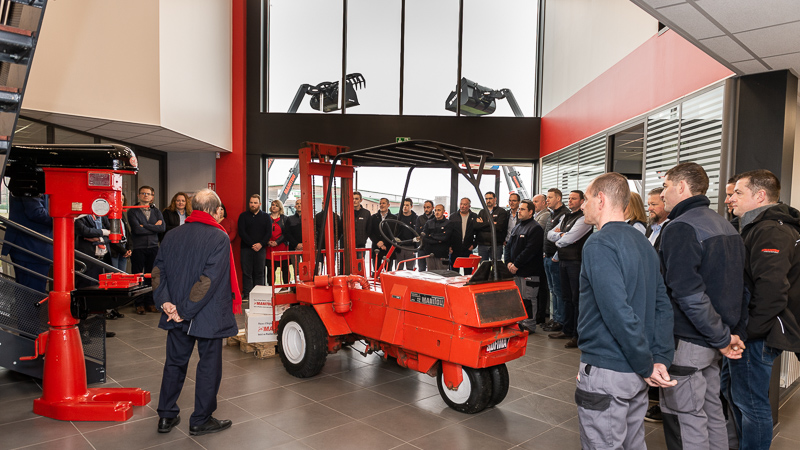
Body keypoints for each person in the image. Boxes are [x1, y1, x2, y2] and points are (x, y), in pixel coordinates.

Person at [575, 172, 676, 450]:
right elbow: (662, 307)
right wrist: (659, 359)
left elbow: (617, 311)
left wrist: (647, 364)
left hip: (610, 370)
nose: (582, 205)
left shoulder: (598, 243)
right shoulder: (644, 243)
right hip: (636, 374)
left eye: (586, 199)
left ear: (601, 199)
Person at [658, 161, 747, 449]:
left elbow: (688, 293)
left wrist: (722, 337)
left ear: (681, 187)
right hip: (715, 340)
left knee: (684, 417)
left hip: (691, 341)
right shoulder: (725, 224)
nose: (662, 194)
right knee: (711, 414)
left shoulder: (680, 227)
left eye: (667, 186)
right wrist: (729, 335)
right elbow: (742, 288)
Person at [153, 188, 240, 437]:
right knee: (209, 366)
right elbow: (209, 280)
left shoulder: (171, 235)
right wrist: (184, 311)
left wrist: (166, 303)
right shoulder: (219, 237)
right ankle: (200, 419)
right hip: (206, 314)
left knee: (174, 364)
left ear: (193, 208)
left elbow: (158, 271)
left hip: (176, 311)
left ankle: (166, 417)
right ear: (214, 210)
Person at [727, 169, 800, 449]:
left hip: (756, 335)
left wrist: (747, 333)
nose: (731, 198)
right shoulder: (759, 226)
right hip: (750, 332)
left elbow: (771, 291)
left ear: (760, 196)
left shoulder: (771, 230)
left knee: (752, 404)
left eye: (738, 193)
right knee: (738, 396)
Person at [548, 190, 591, 348]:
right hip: (563, 261)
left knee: (576, 300)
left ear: (581, 201)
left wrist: (561, 237)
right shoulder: (566, 216)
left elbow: (569, 239)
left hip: (576, 262)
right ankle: (567, 329)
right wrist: (562, 236)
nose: (570, 201)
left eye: (574, 199)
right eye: (569, 198)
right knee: (566, 297)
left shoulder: (584, 218)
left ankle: (577, 335)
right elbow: (550, 235)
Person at [2, 194, 53, 294]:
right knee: (31, 295)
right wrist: (61, 217)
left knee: (31, 294)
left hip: (35, 247)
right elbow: (36, 212)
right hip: (30, 247)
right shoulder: (29, 182)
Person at [506, 200, 543, 333]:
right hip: (515, 270)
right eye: (519, 209)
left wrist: (516, 264)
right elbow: (508, 246)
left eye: (522, 209)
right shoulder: (517, 227)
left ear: (530, 212)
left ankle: (529, 325)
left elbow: (530, 251)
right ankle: (520, 322)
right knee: (518, 298)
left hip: (529, 271)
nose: (519, 211)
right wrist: (508, 262)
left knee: (528, 298)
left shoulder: (535, 228)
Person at [128, 186, 165, 314]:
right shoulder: (132, 211)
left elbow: (162, 228)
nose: (145, 195)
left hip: (153, 247)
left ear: (152, 196)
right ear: (138, 196)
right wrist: (153, 227)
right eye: (143, 193)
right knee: (137, 276)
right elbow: (137, 230)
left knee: (152, 276)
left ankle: (150, 302)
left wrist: (145, 226)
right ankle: (139, 304)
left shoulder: (156, 211)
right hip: (138, 248)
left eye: (148, 194)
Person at [542, 189, 569, 333]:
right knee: (552, 290)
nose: (547, 200)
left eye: (550, 197)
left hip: (555, 258)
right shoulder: (551, 214)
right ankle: (555, 318)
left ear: (558, 198)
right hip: (547, 256)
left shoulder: (564, 214)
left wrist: (556, 255)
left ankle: (560, 320)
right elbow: (549, 235)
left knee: (558, 291)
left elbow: (563, 237)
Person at [74, 213, 112, 289]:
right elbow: (85, 231)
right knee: (87, 286)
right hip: (88, 259)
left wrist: (100, 239)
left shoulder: (101, 215)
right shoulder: (79, 215)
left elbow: (113, 232)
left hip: (104, 258)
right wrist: (104, 232)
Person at [532, 194, 551, 325]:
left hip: (542, 255)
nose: (534, 204)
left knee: (542, 287)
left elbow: (534, 232)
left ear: (544, 203)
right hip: (539, 256)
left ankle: (541, 315)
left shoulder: (545, 215)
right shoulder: (537, 215)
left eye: (536, 201)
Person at [474, 191, 509, 261]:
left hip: (496, 245)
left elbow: (499, 227)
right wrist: (492, 223)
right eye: (486, 199)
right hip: (482, 244)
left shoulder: (501, 212)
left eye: (490, 198)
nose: (488, 201)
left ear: (495, 199)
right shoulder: (482, 212)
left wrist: (483, 224)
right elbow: (476, 226)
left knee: (496, 268)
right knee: (483, 268)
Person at [449, 197, 478, 274]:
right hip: (455, 248)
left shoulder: (474, 217)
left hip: (467, 248)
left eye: (465, 204)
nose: (462, 206)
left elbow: (478, 232)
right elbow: (449, 232)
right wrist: (449, 246)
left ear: (469, 206)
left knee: (468, 271)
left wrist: (474, 245)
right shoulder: (453, 216)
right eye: (461, 204)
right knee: (454, 271)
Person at [367, 198, 396, 273]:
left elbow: (394, 233)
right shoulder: (373, 217)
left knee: (388, 272)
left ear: (388, 205)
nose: (381, 205)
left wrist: (384, 243)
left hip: (388, 248)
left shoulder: (394, 218)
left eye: (383, 203)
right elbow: (370, 232)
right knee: (376, 271)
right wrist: (378, 242)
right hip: (376, 248)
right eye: (380, 203)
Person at [421, 204, 453, 270]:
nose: (437, 212)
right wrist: (438, 240)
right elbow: (424, 237)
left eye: (439, 210)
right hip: (430, 254)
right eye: (435, 210)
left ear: (443, 211)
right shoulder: (429, 222)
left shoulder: (448, 223)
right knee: (431, 275)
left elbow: (445, 237)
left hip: (442, 254)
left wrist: (431, 235)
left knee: (442, 276)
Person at [265, 199, 289, 286]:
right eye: (272, 205)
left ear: (280, 207)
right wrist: (268, 241)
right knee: (271, 269)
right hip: (269, 247)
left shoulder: (285, 218)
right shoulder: (266, 217)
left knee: (285, 269)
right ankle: (271, 288)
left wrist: (277, 242)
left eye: (276, 205)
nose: (274, 207)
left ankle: (286, 287)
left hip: (282, 247)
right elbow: (263, 231)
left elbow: (286, 233)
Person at [109, 193, 133, 272]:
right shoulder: (108, 215)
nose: (121, 202)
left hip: (124, 248)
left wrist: (129, 248)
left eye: (122, 200)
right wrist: (123, 250)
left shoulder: (121, 214)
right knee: (114, 274)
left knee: (122, 275)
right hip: (114, 250)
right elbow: (110, 234)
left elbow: (127, 232)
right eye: (118, 199)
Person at [395, 198, 418, 270]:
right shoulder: (397, 217)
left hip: (411, 247)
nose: (405, 207)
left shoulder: (416, 218)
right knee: (399, 269)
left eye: (407, 205)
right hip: (399, 247)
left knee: (410, 269)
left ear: (411, 206)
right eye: (403, 205)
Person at [416, 200, 434, 272]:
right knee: (421, 270)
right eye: (425, 207)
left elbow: (435, 233)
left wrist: (424, 232)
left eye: (428, 207)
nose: (426, 209)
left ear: (432, 208)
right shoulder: (419, 218)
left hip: (432, 248)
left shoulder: (435, 218)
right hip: (422, 248)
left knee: (431, 270)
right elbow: (418, 232)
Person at [503, 193, 521, 262]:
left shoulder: (521, 214)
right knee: (507, 265)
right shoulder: (505, 214)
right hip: (507, 244)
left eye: (514, 201)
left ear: (519, 202)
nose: (511, 203)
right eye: (510, 201)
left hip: (519, 244)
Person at [353, 191, 372, 258]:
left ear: (361, 200)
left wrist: (363, 239)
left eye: (356, 199)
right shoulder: (346, 213)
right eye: (353, 199)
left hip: (361, 245)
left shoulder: (366, 213)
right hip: (348, 246)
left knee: (360, 266)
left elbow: (369, 229)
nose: (354, 201)